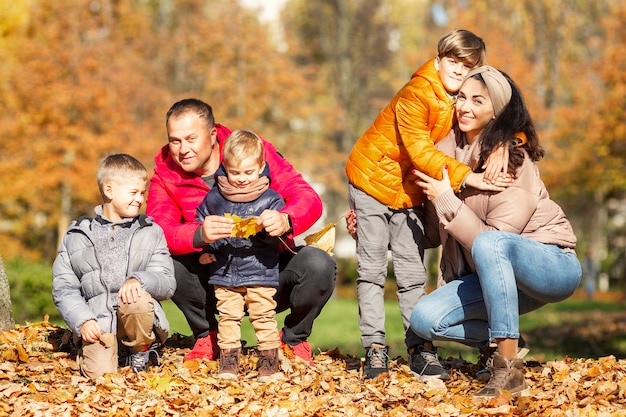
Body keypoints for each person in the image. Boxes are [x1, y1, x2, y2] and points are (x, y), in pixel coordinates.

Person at [345, 29, 512, 380]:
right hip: (371, 181)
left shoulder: (461, 99)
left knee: (411, 273)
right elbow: (420, 152)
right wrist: (470, 177)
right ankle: (375, 348)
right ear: (438, 61)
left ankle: (420, 349)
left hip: (409, 193)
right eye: (453, 61)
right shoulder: (416, 94)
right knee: (372, 271)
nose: (458, 69)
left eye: (468, 65)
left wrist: (507, 142)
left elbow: (507, 113)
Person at [410, 66, 581, 397]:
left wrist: (447, 199)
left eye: (478, 100)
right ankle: (511, 337)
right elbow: (435, 234)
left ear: (496, 111)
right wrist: (378, 227)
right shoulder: (440, 154)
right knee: (425, 318)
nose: (465, 107)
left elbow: (491, 243)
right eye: (461, 97)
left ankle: (507, 368)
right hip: (493, 279)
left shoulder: (512, 159)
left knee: (490, 243)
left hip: (548, 263)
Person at [146, 98, 336, 365]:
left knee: (319, 263)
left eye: (191, 138)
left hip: (268, 272)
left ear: (212, 136)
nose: (182, 149)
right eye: (175, 140)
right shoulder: (165, 177)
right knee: (167, 261)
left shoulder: (253, 151)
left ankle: (294, 339)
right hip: (216, 279)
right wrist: (199, 234)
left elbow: (307, 197)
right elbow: (158, 232)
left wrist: (285, 220)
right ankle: (207, 335)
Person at [52, 154, 176, 380]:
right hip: (98, 321)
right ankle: (93, 350)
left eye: (142, 193)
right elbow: (64, 288)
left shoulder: (150, 231)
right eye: (133, 193)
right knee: (100, 375)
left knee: (135, 298)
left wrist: (140, 279)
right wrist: (83, 320)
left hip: (136, 316)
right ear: (109, 191)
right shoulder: (77, 235)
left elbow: (167, 281)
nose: (140, 199)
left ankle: (141, 351)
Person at [195, 130, 285, 380]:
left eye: (248, 172)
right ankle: (229, 360)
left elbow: (280, 236)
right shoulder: (214, 197)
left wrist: (269, 227)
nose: (241, 179)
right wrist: (206, 248)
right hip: (225, 272)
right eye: (235, 173)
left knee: (263, 316)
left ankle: (268, 360)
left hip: (260, 270)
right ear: (224, 167)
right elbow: (202, 224)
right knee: (228, 317)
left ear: (261, 168)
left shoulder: (271, 199)